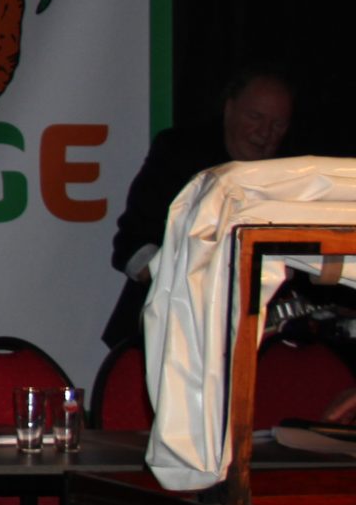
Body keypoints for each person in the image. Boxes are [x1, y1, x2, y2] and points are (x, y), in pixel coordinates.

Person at [100, 68, 294, 351]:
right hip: (163, 336)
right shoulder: (179, 152)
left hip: (260, 345)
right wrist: (186, 281)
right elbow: (133, 244)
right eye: (255, 117)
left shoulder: (296, 175)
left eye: (278, 125)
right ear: (229, 108)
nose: (265, 133)